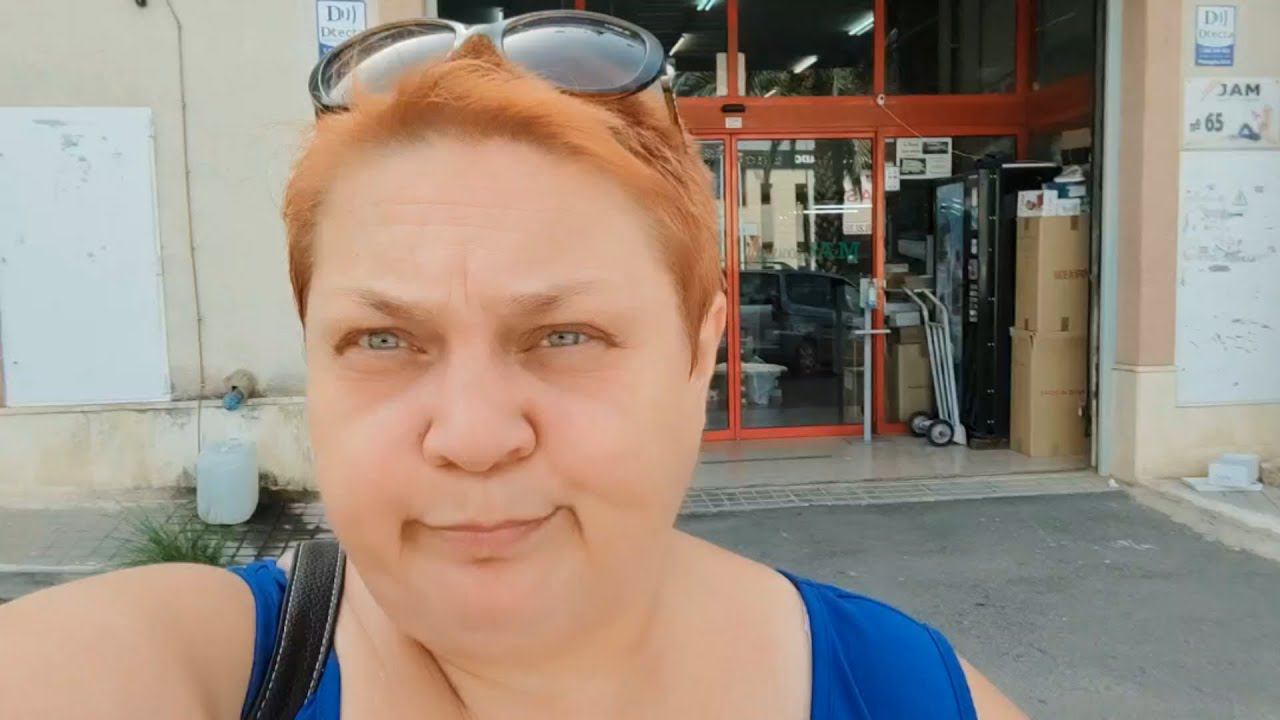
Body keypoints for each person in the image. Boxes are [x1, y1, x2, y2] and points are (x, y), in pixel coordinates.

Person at [0, 12, 1027, 719]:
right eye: (384, 341)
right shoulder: (197, 673)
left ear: (699, 351)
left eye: (564, 336)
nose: (474, 435)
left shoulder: (905, 694)